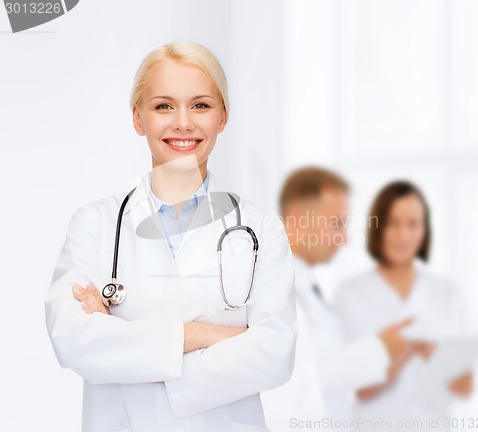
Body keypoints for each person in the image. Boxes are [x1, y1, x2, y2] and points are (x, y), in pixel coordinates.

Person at [44, 41, 296, 432]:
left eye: (200, 105)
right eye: (163, 106)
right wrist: (205, 335)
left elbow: (275, 353)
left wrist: (126, 349)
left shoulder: (260, 228)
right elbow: (73, 340)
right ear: (138, 118)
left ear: (222, 116)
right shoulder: (95, 224)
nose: (183, 122)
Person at [261, 167, 417, 432]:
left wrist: (385, 362)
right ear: (298, 220)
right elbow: (291, 389)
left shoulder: (312, 291)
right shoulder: (270, 289)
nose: (344, 238)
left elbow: (331, 382)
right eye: (336, 223)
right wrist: (378, 350)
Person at [334, 181, 474, 431]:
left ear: (425, 230)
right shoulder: (350, 294)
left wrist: (437, 359)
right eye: (393, 223)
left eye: (413, 224)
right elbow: (360, 389)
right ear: (378, 228)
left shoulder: (449, 294)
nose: (403, 235)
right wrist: (409, 348)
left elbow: (465, 387)